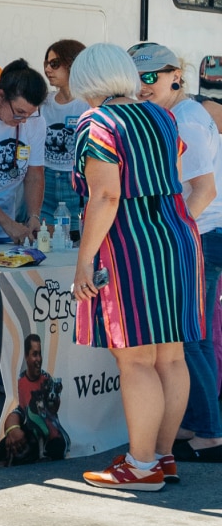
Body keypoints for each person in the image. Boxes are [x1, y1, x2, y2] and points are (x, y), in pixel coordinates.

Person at [69, 42, 204, 490]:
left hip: (130, 245)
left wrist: (84, 260)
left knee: (137, 361)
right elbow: (173, 175)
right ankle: (162, 457)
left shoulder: (98, 121)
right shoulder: (164, 116)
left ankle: (140, 465)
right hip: (177, 238)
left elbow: (106, 196)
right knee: (171, 356)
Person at [125, 42, 222, 464]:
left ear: (174, 76)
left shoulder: (188, 120)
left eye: (149, 78)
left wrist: (174, 236)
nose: (141, 87)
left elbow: (204, 190)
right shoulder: (173, 114)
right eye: (135, 79)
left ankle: (210, 432)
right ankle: (195, 422)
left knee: (191, 340)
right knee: (186, 340)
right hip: (195, 235)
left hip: (201, 236)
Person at [0, 60, 48, 247]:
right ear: (1, 97)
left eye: (29, 114)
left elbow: (34, 174)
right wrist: (7, 223)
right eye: (19, 112)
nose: (24, 121)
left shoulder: (36, 121)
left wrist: (33, 216)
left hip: (6, 231)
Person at [0, 334, 68, 466]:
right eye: (34, 354)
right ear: (26, 357)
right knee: (3, 448)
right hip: (28, 432)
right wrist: (13, 429)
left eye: (39, 354)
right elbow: (19, 409)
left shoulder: (46, 379)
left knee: (58, 445)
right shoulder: (21, 381)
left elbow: (54, 408)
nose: (38, 359)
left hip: (48, 433)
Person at [40, 40, 88, 241]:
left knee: (75, 237)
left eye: (55, 64)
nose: (47, 69)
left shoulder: (87, 103)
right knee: (43, 234)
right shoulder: (44, 101)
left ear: (73, 64)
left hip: (76, 181)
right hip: (45, 178)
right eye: (47, 63)